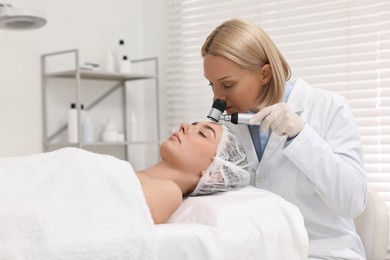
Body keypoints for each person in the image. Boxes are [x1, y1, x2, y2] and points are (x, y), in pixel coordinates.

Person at [201, 18, 367, 259]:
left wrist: (302, 136)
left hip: (321, 251)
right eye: (212, 84)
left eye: (227, 84)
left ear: (265, 74)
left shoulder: (328, 107)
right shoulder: (229, 124)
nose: (218, 97)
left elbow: (352, 202)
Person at [137, 121, 253, 224]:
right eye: (193, 125)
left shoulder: (170, 193)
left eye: (202, 134)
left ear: (214, 174)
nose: (183, 125)